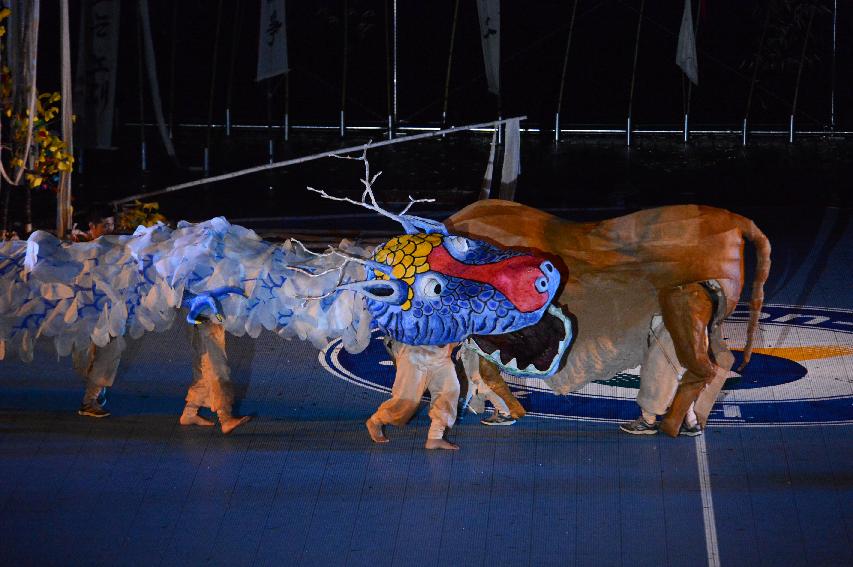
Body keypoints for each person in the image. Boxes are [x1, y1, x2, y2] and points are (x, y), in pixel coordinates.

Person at [366, 338, 460, 450]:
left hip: (442, 355)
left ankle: (435, 437)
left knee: (449, 391)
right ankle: (376, 420)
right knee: (406, 402)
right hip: (413, 351)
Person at [619, 317, 702, 436]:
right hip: (691, 326)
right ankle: (690, 421)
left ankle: (648, 421)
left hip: (671, 325)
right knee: (683, 373)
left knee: (654, 371)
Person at [457, 347, 516, 426]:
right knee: (470, 381)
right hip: (474, 348)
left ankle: (505, 414)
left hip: (477, 347)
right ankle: (459, 411)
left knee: (481, 382)